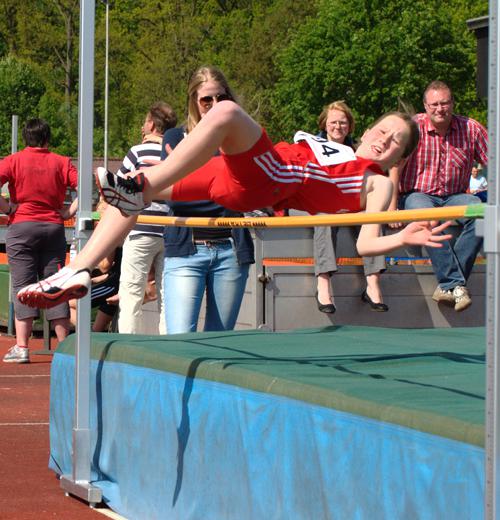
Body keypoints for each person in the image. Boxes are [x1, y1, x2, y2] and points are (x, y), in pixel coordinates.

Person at [17, 102, 453, 310]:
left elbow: (367, 242)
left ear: (399, 156)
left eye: (395, 141)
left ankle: (139, 188)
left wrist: (404, 234)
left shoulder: (375, 180)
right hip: (241, 176)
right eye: (382, 129)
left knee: (225, 112)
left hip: (274, 177)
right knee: (136, 197)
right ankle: (79, 268)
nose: (383, 138)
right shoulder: (334, 145)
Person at [161, 66, 254, 333]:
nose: (214, 105)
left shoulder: (240, 137)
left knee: (220, 342)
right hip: (185, 250)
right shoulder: (175, 137)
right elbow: (176, 198)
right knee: (180, 340)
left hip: (230, 250)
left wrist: (194, 181)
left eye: (221, 99)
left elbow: (242, 195)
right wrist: (222, 189)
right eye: (206, 100)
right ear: (194, 102)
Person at [389, 81, 488, 312]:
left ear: (453, 103)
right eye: (434, 104)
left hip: (455, 196)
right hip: (417, 194)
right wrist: (392, 206)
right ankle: (455, 284)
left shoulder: (471, 129)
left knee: (484, 214)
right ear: (425, 105)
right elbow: (395, 166)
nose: (440, 109)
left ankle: (449, 285)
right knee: (427, 217)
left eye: (444, 103)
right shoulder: (413, 127)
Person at [0, 118, 77, 362]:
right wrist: (68, 212)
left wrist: (7, 208)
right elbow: (86, 187)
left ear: (26, 138)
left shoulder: (13, 161)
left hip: (22, 226)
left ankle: (22, 347)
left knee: (22, 285)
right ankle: (64, 347)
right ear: (47, 139)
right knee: (54, 284)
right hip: (53, 227)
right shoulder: (61, 162)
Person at [313, 101, 388, 314]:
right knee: (324, 218)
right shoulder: (312, 148)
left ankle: (373, 285)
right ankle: (323, 284)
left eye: (343, 123)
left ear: (350, 126)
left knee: (371, 216)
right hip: (322, 203)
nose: (338, 127)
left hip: (352, 203)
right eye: (333, 122)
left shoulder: (358, 150)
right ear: (324, 124)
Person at [116, 101, 177, 334]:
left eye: (144, 122)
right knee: (166, 293)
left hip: (141, 228)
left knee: (131, 291)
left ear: (151, 125)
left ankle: (128, 345)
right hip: (169, 230)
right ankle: (166, 344)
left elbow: (120, 186)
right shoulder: (175, 153)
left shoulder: (137, 152)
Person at [69, 201, 122, 332]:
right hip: (115, 282)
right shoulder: (118, 229)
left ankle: (86, 338)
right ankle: (89, 340)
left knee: (69, 303)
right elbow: (114, 269)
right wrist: (95, 279)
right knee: (97, 330)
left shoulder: (111, 231)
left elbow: (105, 266)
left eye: (97, 219)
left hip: (114, 286)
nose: (95, 223)